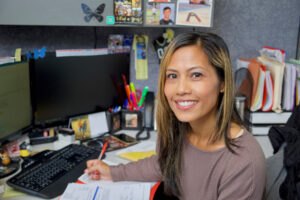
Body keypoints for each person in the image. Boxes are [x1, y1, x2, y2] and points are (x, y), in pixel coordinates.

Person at [86, 32, 266, 200]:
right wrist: (112, 172)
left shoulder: (242, 163)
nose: (180, 89)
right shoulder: (180, 131)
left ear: (223, 84)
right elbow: (162, 166)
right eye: (172, 76)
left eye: (196, 75)